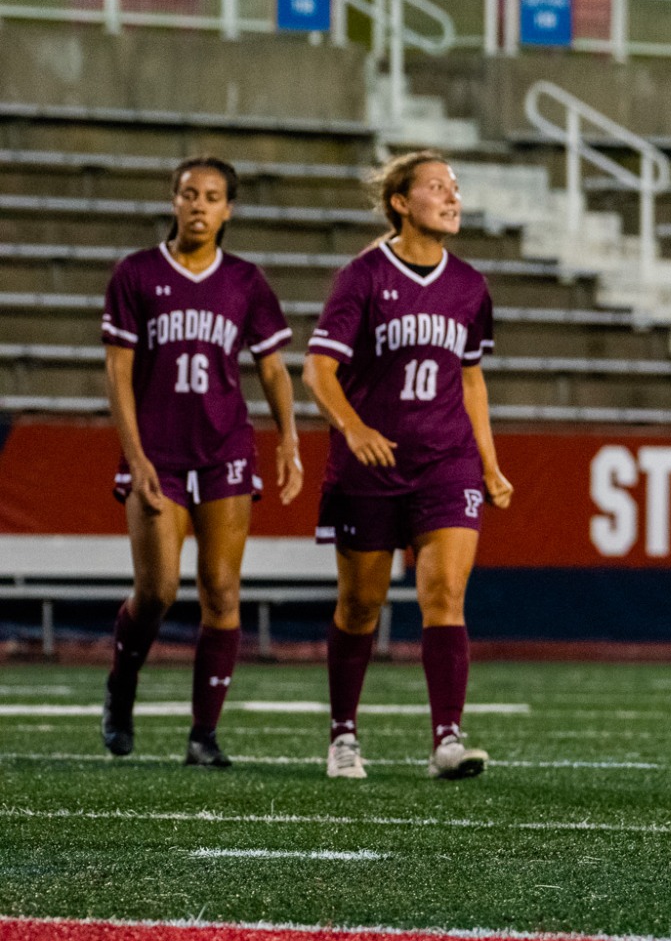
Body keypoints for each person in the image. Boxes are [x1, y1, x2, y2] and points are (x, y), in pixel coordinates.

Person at [302, 150, 512, 782]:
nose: (453, 197)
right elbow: (317, 369)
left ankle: (447, 738)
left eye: (456, 187)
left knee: (445, 595)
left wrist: (490, 464)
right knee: (361, 606)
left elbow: (470, 380)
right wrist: (354, 427)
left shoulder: (471, 286)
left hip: (446, 463)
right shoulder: (363, 277)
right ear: (400, 202)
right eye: (437, 187)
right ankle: (343, 735)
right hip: (371, 466)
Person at [99, 155, 302, 768]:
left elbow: (270, 366)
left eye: (212, 196)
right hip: (157, 452)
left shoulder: (245, 281)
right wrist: (135, 457)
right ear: (173, 200)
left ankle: (203, 735)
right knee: (157, 591)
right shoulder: (135, 275)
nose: (198, 205)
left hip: (224, 453)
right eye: (189, 194)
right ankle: (121, 684)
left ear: (228, 210)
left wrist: (288, 437)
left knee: (221, 589)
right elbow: (119, 372)